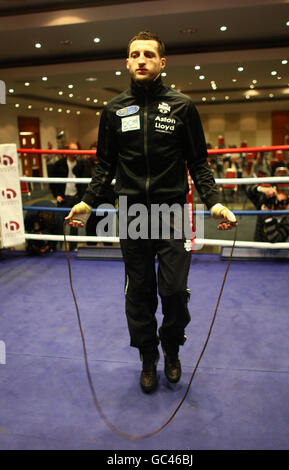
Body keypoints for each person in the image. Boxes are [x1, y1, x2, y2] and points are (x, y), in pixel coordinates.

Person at [66, 31, 236, 393]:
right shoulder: (113, 110)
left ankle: (171, 348)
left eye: (148, 54)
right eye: (134, 54)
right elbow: (104, 165)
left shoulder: (182, 108)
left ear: (162, 62)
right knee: (139, 292)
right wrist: (88, 201)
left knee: (173, 291)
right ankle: (148, 356)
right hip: (130, 211)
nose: (141, 60)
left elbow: (199, 163)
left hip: (172, 210)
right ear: (127, 62)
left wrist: (214, 201)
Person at [49, 141, 86, 250]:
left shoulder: (81, 165)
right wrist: (56, 195)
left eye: (76, 150)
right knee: (60, 223)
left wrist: (81, 197)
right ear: (67, 151)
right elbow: (52, 182)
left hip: (76, 198)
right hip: (63, 198)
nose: (75, 152)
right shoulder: (59, 164)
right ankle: (57, 247)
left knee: (75, 224)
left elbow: (84, 183)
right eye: (72, 150)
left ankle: (73, 247)